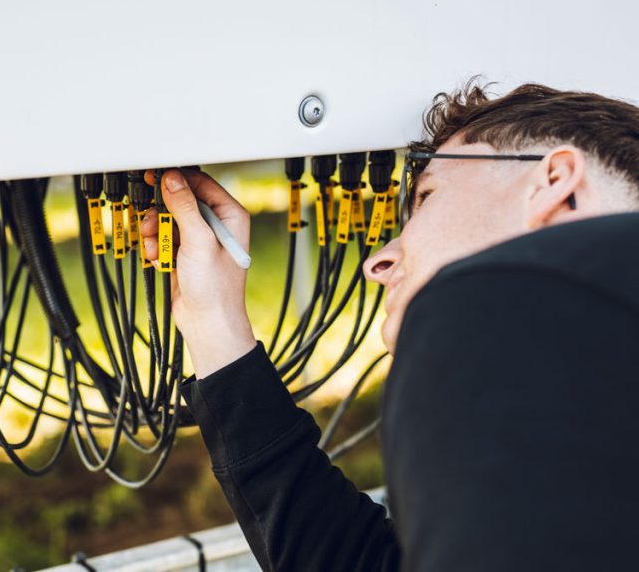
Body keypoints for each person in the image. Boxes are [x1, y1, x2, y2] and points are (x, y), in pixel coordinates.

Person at [138, 82, 639, 571]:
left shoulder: (481, 314)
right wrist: (214, 327)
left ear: (555, 183)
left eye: (427, 196)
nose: (375, 264)